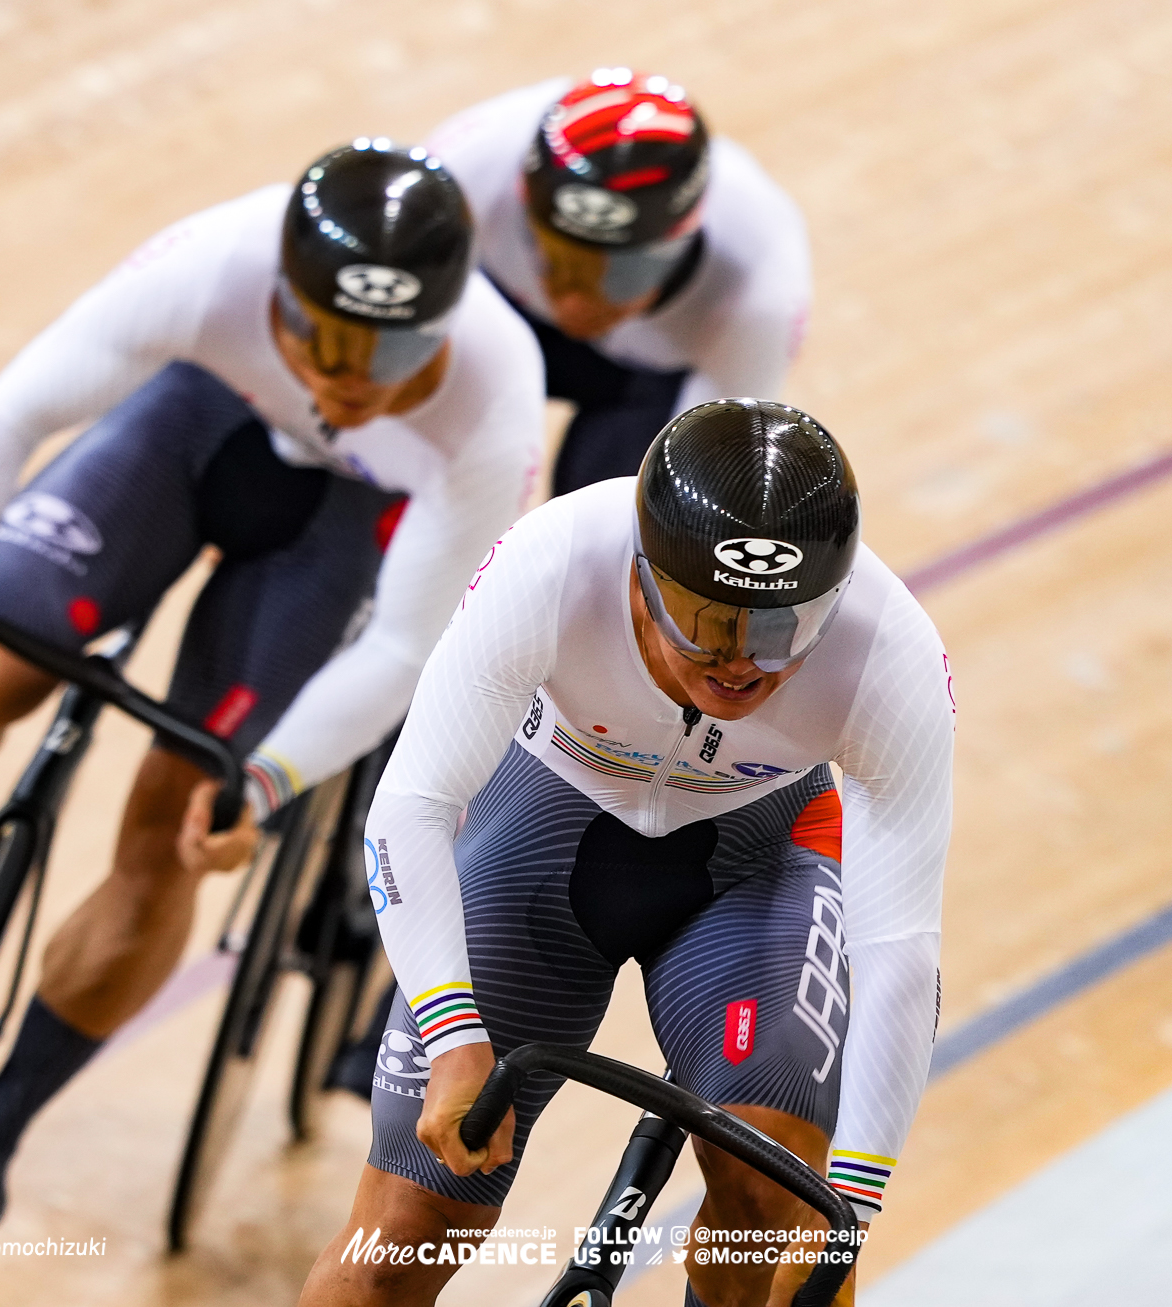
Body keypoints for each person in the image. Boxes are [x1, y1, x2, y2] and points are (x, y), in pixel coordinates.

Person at [0, 139, 543, 1279]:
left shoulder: (496, 389)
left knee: (176, 829)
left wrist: (267, 779)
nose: (354, 375)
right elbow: (10, 417)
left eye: (395, 349)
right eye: (327, 336)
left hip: (331, 530)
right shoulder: (216, 260)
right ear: (279, 296)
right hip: (193, 428)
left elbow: (405, 642)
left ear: (447, 325)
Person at [189, 398, 953, 1305]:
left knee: (779, 1213)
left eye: (781, 628)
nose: (743, 661)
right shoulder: (553, 559)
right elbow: (413, 806)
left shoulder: (888, 649)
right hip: (541, 831)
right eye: (708, 621)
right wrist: (451, 1030)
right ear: (641, 575)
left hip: (755, 870)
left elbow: (899, 949)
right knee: (402, 1231)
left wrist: (852, 1207)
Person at [424, 68, 811, 496]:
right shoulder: (476, 159)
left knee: (628, 522)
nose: (572, 303)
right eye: (552, 256)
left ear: (682, 241)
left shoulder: (761, 284)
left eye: (620, 275)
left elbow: (714, 468)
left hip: (643, 381)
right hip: (502, 312)